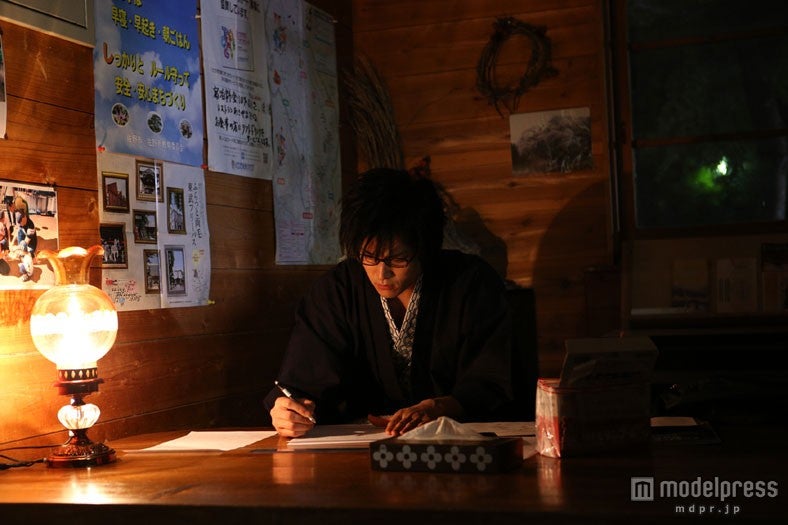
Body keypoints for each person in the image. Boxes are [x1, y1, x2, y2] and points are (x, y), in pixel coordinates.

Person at [265, 168, 522, 437]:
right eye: (369, 256)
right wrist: (287, 410)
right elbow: (302, 381)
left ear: (424, 249)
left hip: (459, 439)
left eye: (398, 259)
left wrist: (441, 407)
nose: (381, 274)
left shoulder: (471, 283)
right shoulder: (337, 291)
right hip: (359, 444)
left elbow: (494, 379)